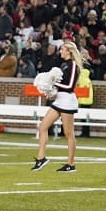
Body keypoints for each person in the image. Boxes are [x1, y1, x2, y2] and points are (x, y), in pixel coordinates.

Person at [32, 41, 83, 172]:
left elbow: (70, 86)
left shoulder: (72, 65)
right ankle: (41, 158)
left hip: (67, 101)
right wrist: (51, 90)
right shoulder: (64, 64)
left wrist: (53, 83)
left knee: (68, 133)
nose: (60, 51)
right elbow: (61, 85)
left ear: (69, 52)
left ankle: (71, 164)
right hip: (59, 100)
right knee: (43, 126)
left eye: (62, 49)